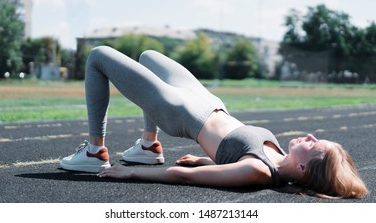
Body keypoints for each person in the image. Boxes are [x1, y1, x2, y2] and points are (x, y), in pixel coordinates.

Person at [60, 46, 368, 199]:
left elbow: (185, 178)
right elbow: (229, 155)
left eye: (315, 146)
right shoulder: (274, 158)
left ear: (303, 169)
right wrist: (203, 159)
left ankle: (94, 152)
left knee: (98, 56)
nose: (312, 136)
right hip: (205, 99)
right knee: (148, 55)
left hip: (180, 111)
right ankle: (148, 145)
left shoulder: (260, 171)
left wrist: (129, 173)